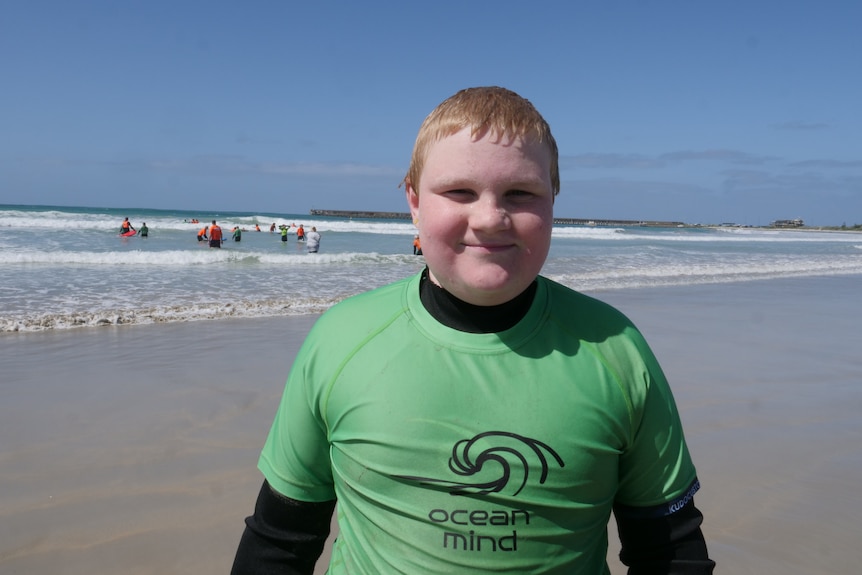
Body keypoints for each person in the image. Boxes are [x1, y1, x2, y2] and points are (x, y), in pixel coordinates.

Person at [231, 87, 714, 574]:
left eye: (521, 193)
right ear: (415, 202)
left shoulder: (614, 349)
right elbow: (280, 541)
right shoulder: (341, 340)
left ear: (553, 202)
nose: (489, 218)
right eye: (459, 191)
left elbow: (669, 549)